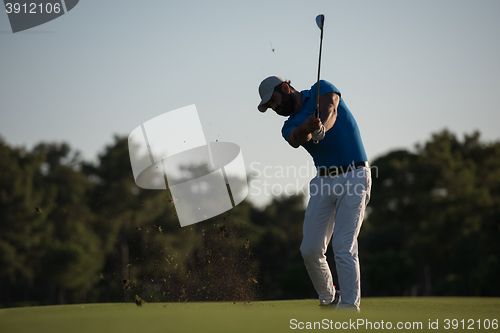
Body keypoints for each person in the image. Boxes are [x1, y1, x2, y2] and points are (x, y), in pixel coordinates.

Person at [257, 76, 371, 312]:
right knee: (309, 249)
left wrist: (320, 127)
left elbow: (330, 111)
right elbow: (297, 138)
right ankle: (329, 299)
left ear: (286, 88)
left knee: (343, 244)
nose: (274, 107)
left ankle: (350, 308)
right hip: (323, 180)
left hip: (355, 174)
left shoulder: (321, 88)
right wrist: (307, 129)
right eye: (269, 106)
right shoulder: (288, 125)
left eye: (274, 101)